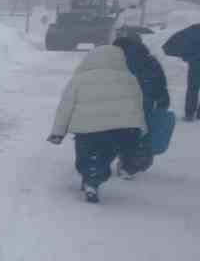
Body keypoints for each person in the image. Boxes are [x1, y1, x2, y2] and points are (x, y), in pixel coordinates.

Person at [49, 45, 148, 203]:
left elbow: (65, 107)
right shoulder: (130, 79)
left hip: (86, 129)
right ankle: (95, 178)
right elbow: (137, 107)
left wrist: (58, 133)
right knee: (105, 154)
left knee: (87, 154)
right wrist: (141, 129)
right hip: (118, 128)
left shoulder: (80, 79)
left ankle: (89, 177)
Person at [111, 32, 169, 177]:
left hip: (119, 101)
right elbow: (160, 83)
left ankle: (114, 158)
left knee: (116, 130)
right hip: (144, 103)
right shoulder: (149, 60)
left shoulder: (114, 61)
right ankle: (130, 164)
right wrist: (163, 99)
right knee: (139, 132)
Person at [162, 22, 200, 121]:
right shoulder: (193, 30)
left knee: (192, 89)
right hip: (195, 62)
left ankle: (189, 114)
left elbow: (173, 43)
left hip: (195, 64)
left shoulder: (193, 30)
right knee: (193, 88)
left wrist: (188, 56)